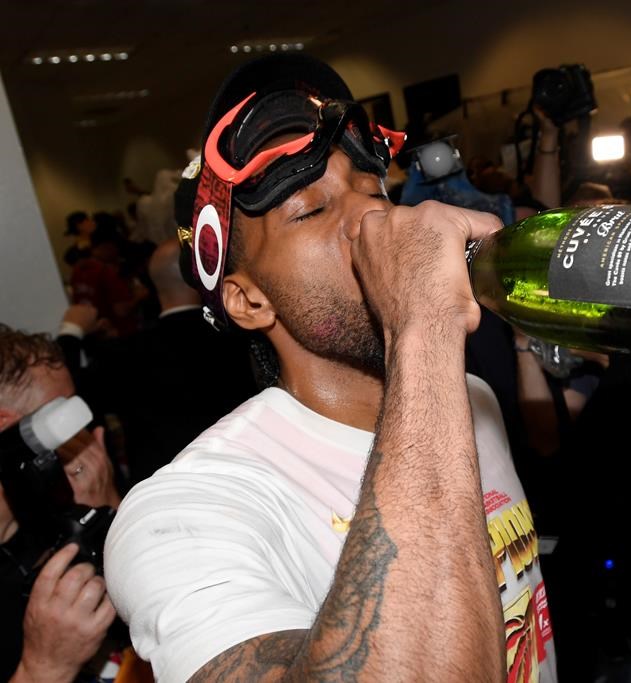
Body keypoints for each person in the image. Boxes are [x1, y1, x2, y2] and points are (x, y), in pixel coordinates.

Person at [104, 53, 555, 682]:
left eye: (373, 192)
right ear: (249, 300)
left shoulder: (467, 399)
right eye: (311, 211)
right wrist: (424, 327)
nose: (372, 220)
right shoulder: (185, 513)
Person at [60, 240, 258, 486]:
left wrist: (71, 333)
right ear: (204, 279)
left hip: (162, 490)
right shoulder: (243, 338)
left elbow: (69, 401)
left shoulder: (127, 354)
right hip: (245, 476)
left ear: (150, 286)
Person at [0, 324, 121, 682]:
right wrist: (44, 667)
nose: (77, 434)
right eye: (59, 414)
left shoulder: (50, 510)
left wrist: (109, 513)